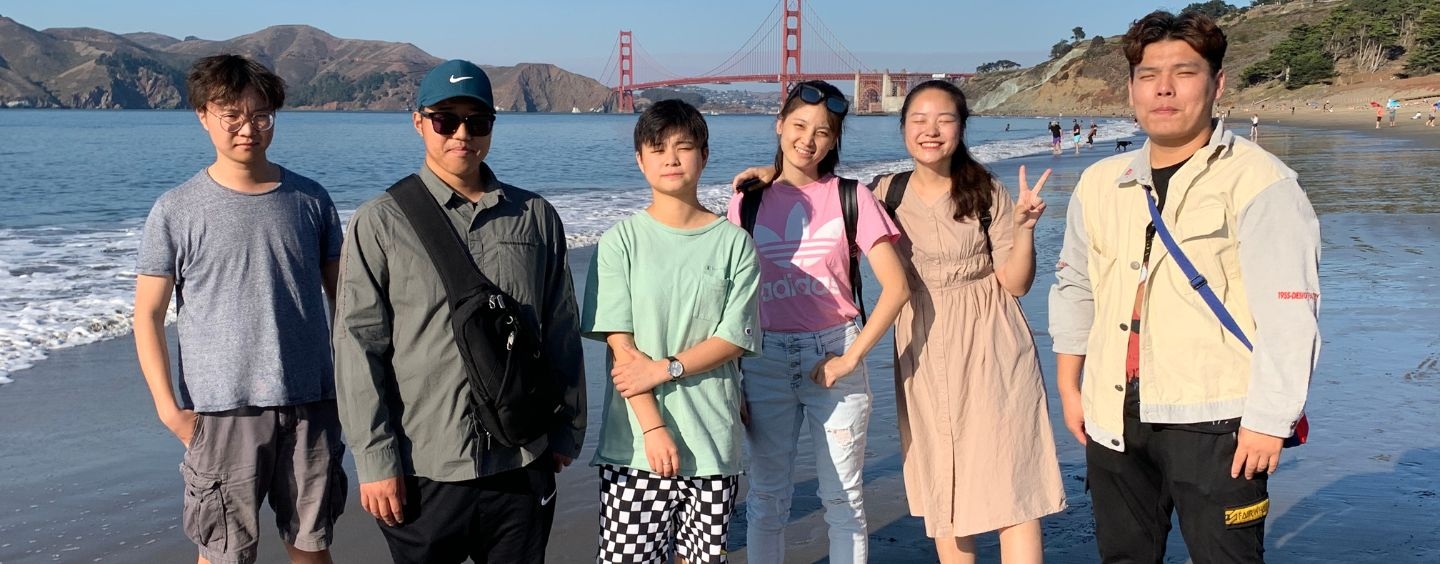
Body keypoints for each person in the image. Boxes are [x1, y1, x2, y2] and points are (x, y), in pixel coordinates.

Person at [1049, 11, 1321, 563]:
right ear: (1131, 88)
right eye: (1148, 75)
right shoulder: (1102, 182)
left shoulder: (1261, 181)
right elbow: (1075, 284)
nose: (1164, 88)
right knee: (1124, 556)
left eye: (1184, 72)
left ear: (1217, 84)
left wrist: (1269, 422)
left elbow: (1290, 313)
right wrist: (1070, 387)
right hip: (1114, 410)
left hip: (1217, 419)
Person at [332, 59, 586, 563]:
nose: (462, 134)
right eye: (445, 120)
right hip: (424, 466)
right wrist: (376, 459)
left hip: (522, 458)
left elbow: (560, 328)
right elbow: (358, 346)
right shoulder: (380, 222)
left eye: (477, 121)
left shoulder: (534, 216)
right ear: (419, 122)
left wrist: (567, 426)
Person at [134, 54, 347, 564]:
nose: (247, 129)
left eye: (261, 115)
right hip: (221, 411)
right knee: (223, 553)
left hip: (311, 404)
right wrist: (170, 411)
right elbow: (148, 315)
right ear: (203, 116)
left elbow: (346, 302)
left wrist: (354, 387)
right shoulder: (176, 209)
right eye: (231, 115)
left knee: (311, 547)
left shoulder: (310, 199)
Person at [728, 80, 910, 563]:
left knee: (843, 499)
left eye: (823, 132)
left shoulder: (853, 197)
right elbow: (730, 294)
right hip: (763, 359)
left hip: (834, 352)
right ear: (779, 125)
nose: (807, 140)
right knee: (767, 499)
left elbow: (897, 288)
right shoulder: (746, 201)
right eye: (799, 125)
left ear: (834, 141)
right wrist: (732, 374)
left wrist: (850, 360)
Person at [582, 99, 762, 564]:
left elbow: (734, 338)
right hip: (635, 446)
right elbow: (622, 347)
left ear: (704, 154)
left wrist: (664, 369)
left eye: (683, 146)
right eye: (657, 148)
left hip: (712, 441)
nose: (671, 159)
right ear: (640, 160)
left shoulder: (734, 243)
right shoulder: (620, 241)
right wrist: (654, 427)